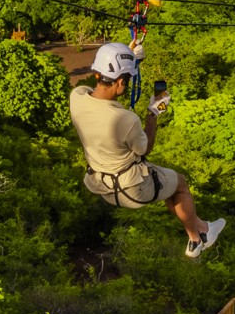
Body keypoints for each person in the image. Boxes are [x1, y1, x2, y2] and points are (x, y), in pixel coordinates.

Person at [68, 41, 224, 258]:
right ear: (121, 81)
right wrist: (154, 112)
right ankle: (197, 239)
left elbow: (99, 87)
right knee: (179, 184)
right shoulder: (125, 119)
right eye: (128, 79)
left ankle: (201, 229)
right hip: (131, 189)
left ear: (97, 74)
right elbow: (145, 149)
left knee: (167, 184)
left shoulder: (76, 97)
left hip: (100, 184)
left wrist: (131, 58)